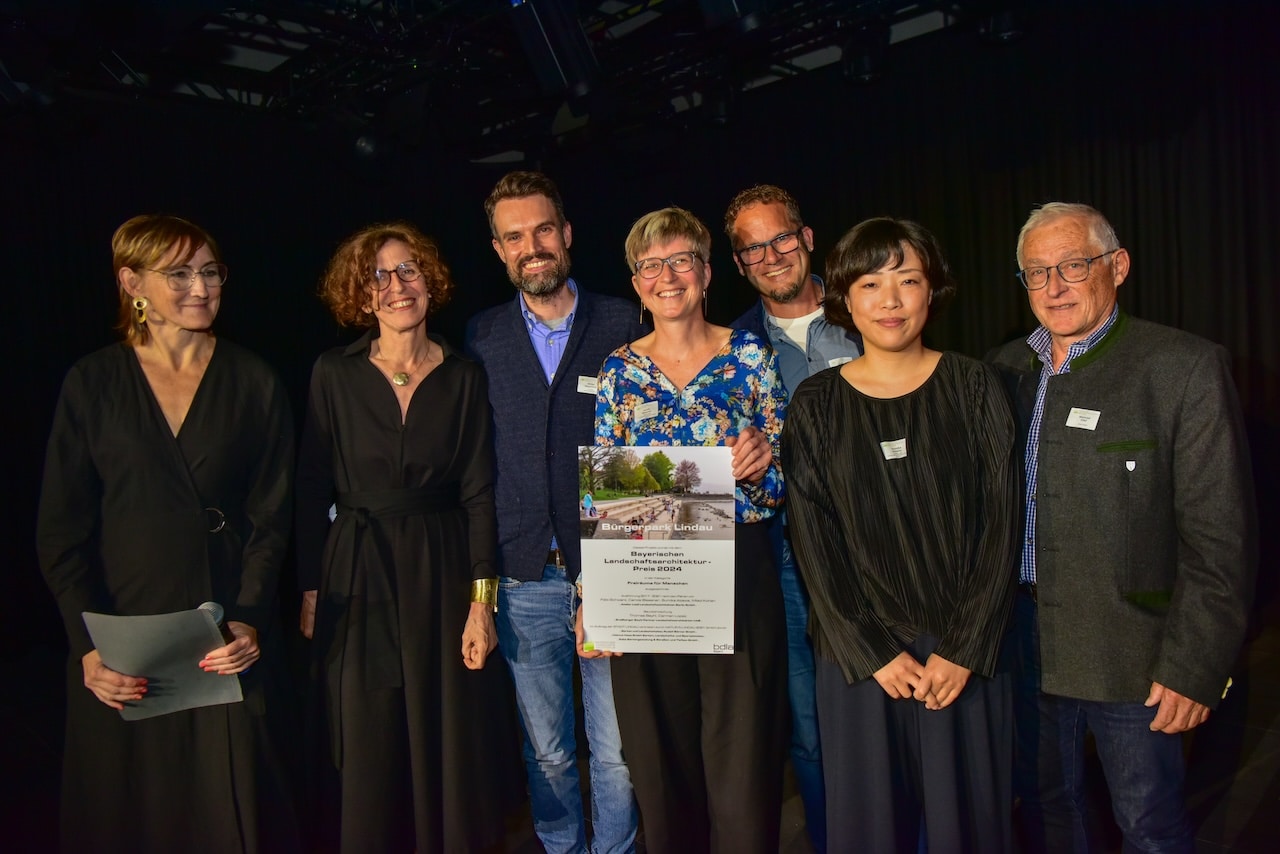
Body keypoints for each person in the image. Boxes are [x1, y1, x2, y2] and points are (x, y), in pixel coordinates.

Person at [988, 203, 1257, 853]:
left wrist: (1196, 665)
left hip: (1135, 653)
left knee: (1149, 824)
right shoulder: (999, 372)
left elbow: (1221, 538)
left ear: (1118, 266)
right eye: (1036, 272)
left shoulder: (1181, 368)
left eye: (1073, 266)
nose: (1054, 287)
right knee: (1051, 813)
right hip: (1027, 645)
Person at [36, 214, 299, 852]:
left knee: (228, 810)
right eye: (178, 273)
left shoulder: (254, 379)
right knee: (130, 810)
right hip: (124, 641)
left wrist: (249, 616)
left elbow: (273, 516)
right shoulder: (93, 383)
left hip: (222, 637)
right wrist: (89, 649)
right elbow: (60, 533)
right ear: (133, 283)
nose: (200, 287)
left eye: (210, 272)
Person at [783, 217, 1019, 853]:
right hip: (861, 659)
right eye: (870, 284)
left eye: (908, 280)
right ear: (844, 299)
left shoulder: (976, 386)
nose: (890, 301)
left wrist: (964, 646)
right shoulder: (814, 403)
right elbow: (812, 535)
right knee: (868, 834)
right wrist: (872, 650)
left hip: (961, 656)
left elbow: (1003, 523)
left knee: (969, 830)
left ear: (932, 289)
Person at [296, 221, 519, 852]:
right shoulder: (332, 374)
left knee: (443, 722)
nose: (397, 287)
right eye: (379, 276)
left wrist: (483, 601)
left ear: (431, 282)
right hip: (355, 570)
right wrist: (310, 584)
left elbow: (479, 493)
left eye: (409, 271)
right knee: (366, 727)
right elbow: (311, 489)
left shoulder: (465, 377)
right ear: (361, 296)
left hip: (443, 570)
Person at [587, 206, 790, 854]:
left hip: (739, 572)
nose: (666, 275)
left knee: (743, 762)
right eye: (651, 265)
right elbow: (606, 495)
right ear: (637, 283)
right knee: (659, 757)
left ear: (706, 272)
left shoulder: (749, 355)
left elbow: (783, 484)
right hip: (647, 574)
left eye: (681, 260)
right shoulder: (619, 370)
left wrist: (761, 465)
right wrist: (597, 600)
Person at [465, 171, 642, 854]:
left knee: (618, 751)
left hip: (613, 569)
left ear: (566, 235)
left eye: (543, 230)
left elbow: (645, 446)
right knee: (546, 752)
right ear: (498, 249)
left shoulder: (625, 321)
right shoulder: (480, 336)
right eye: (515, 237)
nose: (531, 246)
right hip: (523, 575)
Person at [724, 184, 863, 852]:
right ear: (740, 265)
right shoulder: (730, 350)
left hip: (879, 555)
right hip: (786, 558)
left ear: (807, 239)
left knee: (888, 712)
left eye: (780, 238)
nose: (770, 255)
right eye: (753, 248)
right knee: (808, 727)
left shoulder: (868, 314)